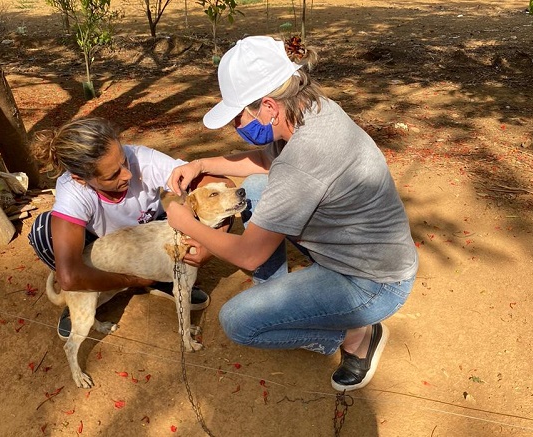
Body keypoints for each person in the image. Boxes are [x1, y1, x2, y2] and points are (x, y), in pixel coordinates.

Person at [165, 36, 418, 391]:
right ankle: (278, 297)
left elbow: (249, 254)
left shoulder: (304, 160)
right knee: (254, 189)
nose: (235, 126)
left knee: (238, 321)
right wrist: (200, 163)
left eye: (238, 116)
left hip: (371, 283)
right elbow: (265, 160)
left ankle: (356, 337)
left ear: (268, 107)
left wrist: (186, 222)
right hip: (360, 250)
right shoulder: (310, 109)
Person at [28, 117, 230, 340]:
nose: (128, 174)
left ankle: (163, 278)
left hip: (150, 233)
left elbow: (221, 186)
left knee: (170, 227)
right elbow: (68, 277)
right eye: (113, 174)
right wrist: (132, 280)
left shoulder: (142, 158)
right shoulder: (72, 189)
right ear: (81, 179)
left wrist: (212, 245)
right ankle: (81, 296)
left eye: (124, 161)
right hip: (107, 246)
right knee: (43, 232)